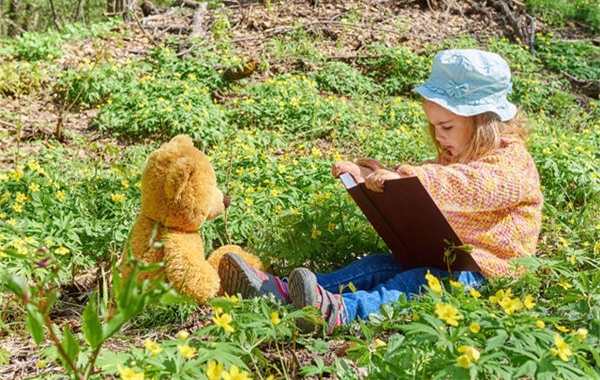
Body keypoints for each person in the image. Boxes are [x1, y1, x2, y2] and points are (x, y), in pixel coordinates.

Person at [218, 49, 544, 331]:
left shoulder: (512, 164)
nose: (439, 136)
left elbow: (465, 188)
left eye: (446, 126)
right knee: (375, 265)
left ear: (483, 121)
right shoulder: (455, 156)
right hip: (444, 261)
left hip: (488, 278)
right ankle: (283, 292)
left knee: (413, 285)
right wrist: (369, 176)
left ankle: (340, 313)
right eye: (433, 126)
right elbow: (420, 191)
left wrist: (403, 178)